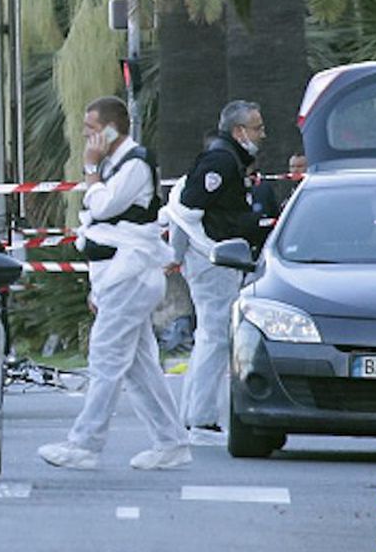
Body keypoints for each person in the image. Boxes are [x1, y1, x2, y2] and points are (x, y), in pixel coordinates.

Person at [37, 96, 191, 471]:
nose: (86, 136)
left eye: (91, 129)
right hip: (120, 278)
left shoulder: (135, 163)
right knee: (140, 368)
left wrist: (90, 171)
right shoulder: (116, 163)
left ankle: (85, 444)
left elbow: (104, 206)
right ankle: (171, 442)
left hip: (132, 276)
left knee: (106, 357)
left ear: (110, 129)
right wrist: (99, 288)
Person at [162, 100, 270, 446]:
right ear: (239, 131)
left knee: (211, 336)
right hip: (213, 260)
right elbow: (187, 206)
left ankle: (194, 414)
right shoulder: (221, 161)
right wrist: (191, 247)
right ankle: (202, 418)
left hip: (214, 257)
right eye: (256, 128)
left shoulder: (226, 158)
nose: (262, 134)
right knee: (216, 336)